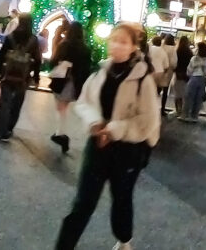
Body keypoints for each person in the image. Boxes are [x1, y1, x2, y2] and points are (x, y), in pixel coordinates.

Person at [55, 22, 160, 250]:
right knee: (83, 202)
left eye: (123, 41)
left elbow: (148, 120)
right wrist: (95, 123)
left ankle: (124, 240)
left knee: (121, 199)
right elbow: (83, 102)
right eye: (114, 39)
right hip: (98, 146)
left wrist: (113, 129)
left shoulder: (143, 79)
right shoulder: (100, 73)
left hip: (127, 150)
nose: (117, 45)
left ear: (133, 47)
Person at [0, 14, 42, 142]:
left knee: (4, 102)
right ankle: (9, 127)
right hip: (23, 77)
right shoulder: (33, 40)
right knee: (17, 104)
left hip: (8, 74)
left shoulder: (11, 37)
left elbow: (1, 55)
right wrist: (36, 78)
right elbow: (37, 60)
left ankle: (2, 131)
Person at [50, 21, 92, 154]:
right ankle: (60, 134)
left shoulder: (65, 45)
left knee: (61, 108)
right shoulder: (85, 48)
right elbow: (87, 68)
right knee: (63, 108)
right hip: (76, 82)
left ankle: (61, 135)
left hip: (63, 81)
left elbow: (54, 60)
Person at [181, 42, 206, 122]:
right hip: (202, 80)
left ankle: (185, 115)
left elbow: (189, 70)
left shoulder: (194, 59)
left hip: (194, 78)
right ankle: (194, 116)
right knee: (198, 98)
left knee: (189, 97)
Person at [149, 35, 170, 116]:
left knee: (149, 90)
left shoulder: (149, 49)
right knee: (156, 92)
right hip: (160, 72)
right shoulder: (162, 51)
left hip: (150, 72)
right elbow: (166, 65)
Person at [173, 35, 192, 117]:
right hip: (186, 75)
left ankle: (178, 110)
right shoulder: (190, 52)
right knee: (184, 94)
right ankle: (184, 111)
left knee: (177, 94)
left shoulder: (177, 51)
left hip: (178, 74)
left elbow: (175, 63)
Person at [160, 34, 176, 114]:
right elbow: (174, 63)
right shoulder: (173, 49)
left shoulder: (162, 46)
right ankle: (162, 109)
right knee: (165, 91)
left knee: (157, 90)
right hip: (168, 71)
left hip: (160, 70)